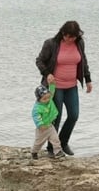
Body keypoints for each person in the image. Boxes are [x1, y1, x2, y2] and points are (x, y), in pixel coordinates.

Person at [35, 20, 93, 156]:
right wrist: (47, 73)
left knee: (74, 115)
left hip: (71, 86)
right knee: (56, 116)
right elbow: (39, 60)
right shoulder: (51, 44)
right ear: (62, 33)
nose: (69, 39)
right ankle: (52, 148)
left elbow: (83, 61)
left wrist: (88, 79)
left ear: (77, 36)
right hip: (55, 87)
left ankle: (63, 142)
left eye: (72, 37)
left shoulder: (79, 44)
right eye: (67, 36)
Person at [31, 81, 65, 159]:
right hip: (42, 129)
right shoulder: (37, 108)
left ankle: (58, 152)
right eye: (44, 99)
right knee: (39, 142)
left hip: (50, 125)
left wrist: (52, 84)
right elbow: (36, 117)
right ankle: (34, 152)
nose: (47, 100)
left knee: (55, 139)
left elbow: (52, 91)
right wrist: (40, 124)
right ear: (39, 99)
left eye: (48, 97)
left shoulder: (49, 99)